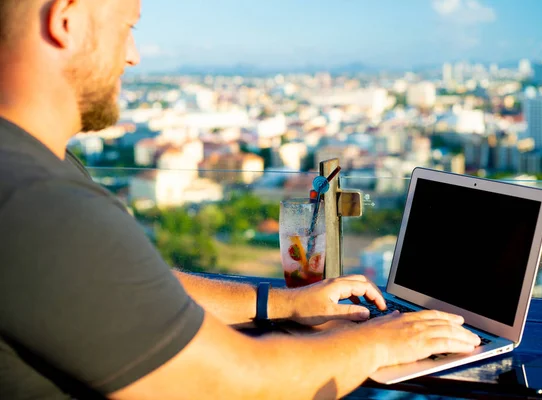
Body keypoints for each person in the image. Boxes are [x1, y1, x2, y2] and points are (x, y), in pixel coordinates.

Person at [0, 1, 481, 399]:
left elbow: (124, 289)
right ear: (66, 20)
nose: (134, 55)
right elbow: (233, 384)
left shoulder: (38, 169)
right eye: (127, 27)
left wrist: (281, 304)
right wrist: (378, 342)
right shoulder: (38, 200)